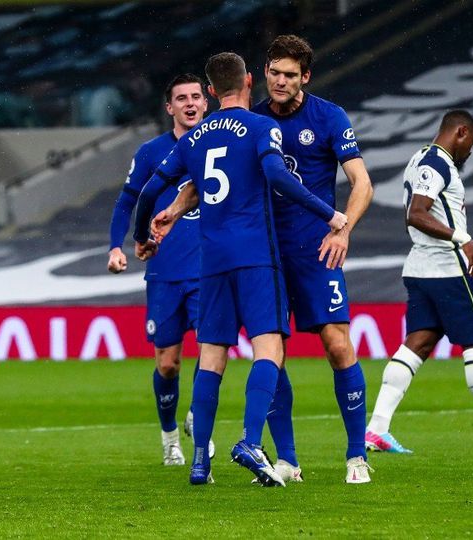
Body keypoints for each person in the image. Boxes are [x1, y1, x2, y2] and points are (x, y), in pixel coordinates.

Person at [133, 52, 348, 486]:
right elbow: (279, 176)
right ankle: (251, 440)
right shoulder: (261, 126)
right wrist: (330, 214)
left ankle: (199, 462)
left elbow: (149, 190)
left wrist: (145, 236)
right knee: (268, 349)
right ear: (250, 81)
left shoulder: (192, 140)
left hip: (209, 261)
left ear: (210, 91)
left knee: (211, 356)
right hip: (255, 256)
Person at [364, 110, 473, 454]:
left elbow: (415, 218)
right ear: (460, 132)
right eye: (471, 144)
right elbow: (415, 214)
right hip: (450, 270)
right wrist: (463, 238)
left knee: (417, 343)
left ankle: (376, 429)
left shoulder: (417, 158)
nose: (470, 153)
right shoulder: (438, 162)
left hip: (420, 268)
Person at [251, 35, 375, 484]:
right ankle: (287, 460)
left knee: (337, 344)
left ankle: (357, 455)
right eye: (274, 71)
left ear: (305, 76)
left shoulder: (328, 116)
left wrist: (343, 228)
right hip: (263, 254)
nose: (280, 81)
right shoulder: (250, 120)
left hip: (316, 250)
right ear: (264, 72)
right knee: (271, 353)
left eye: (290, 74)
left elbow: (362, 183)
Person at [107, 73, 213, 466]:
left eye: (196, 97)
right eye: (181, 98)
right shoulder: (152, 152)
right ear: (169, 107)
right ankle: (170, 436)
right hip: (165, 272)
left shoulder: (222, 144)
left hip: (210, 270)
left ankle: (198, 416)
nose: (189, 103)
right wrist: (116, 246)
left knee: (212, 348)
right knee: (168, 363)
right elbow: (126, 201)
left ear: (206, 103)